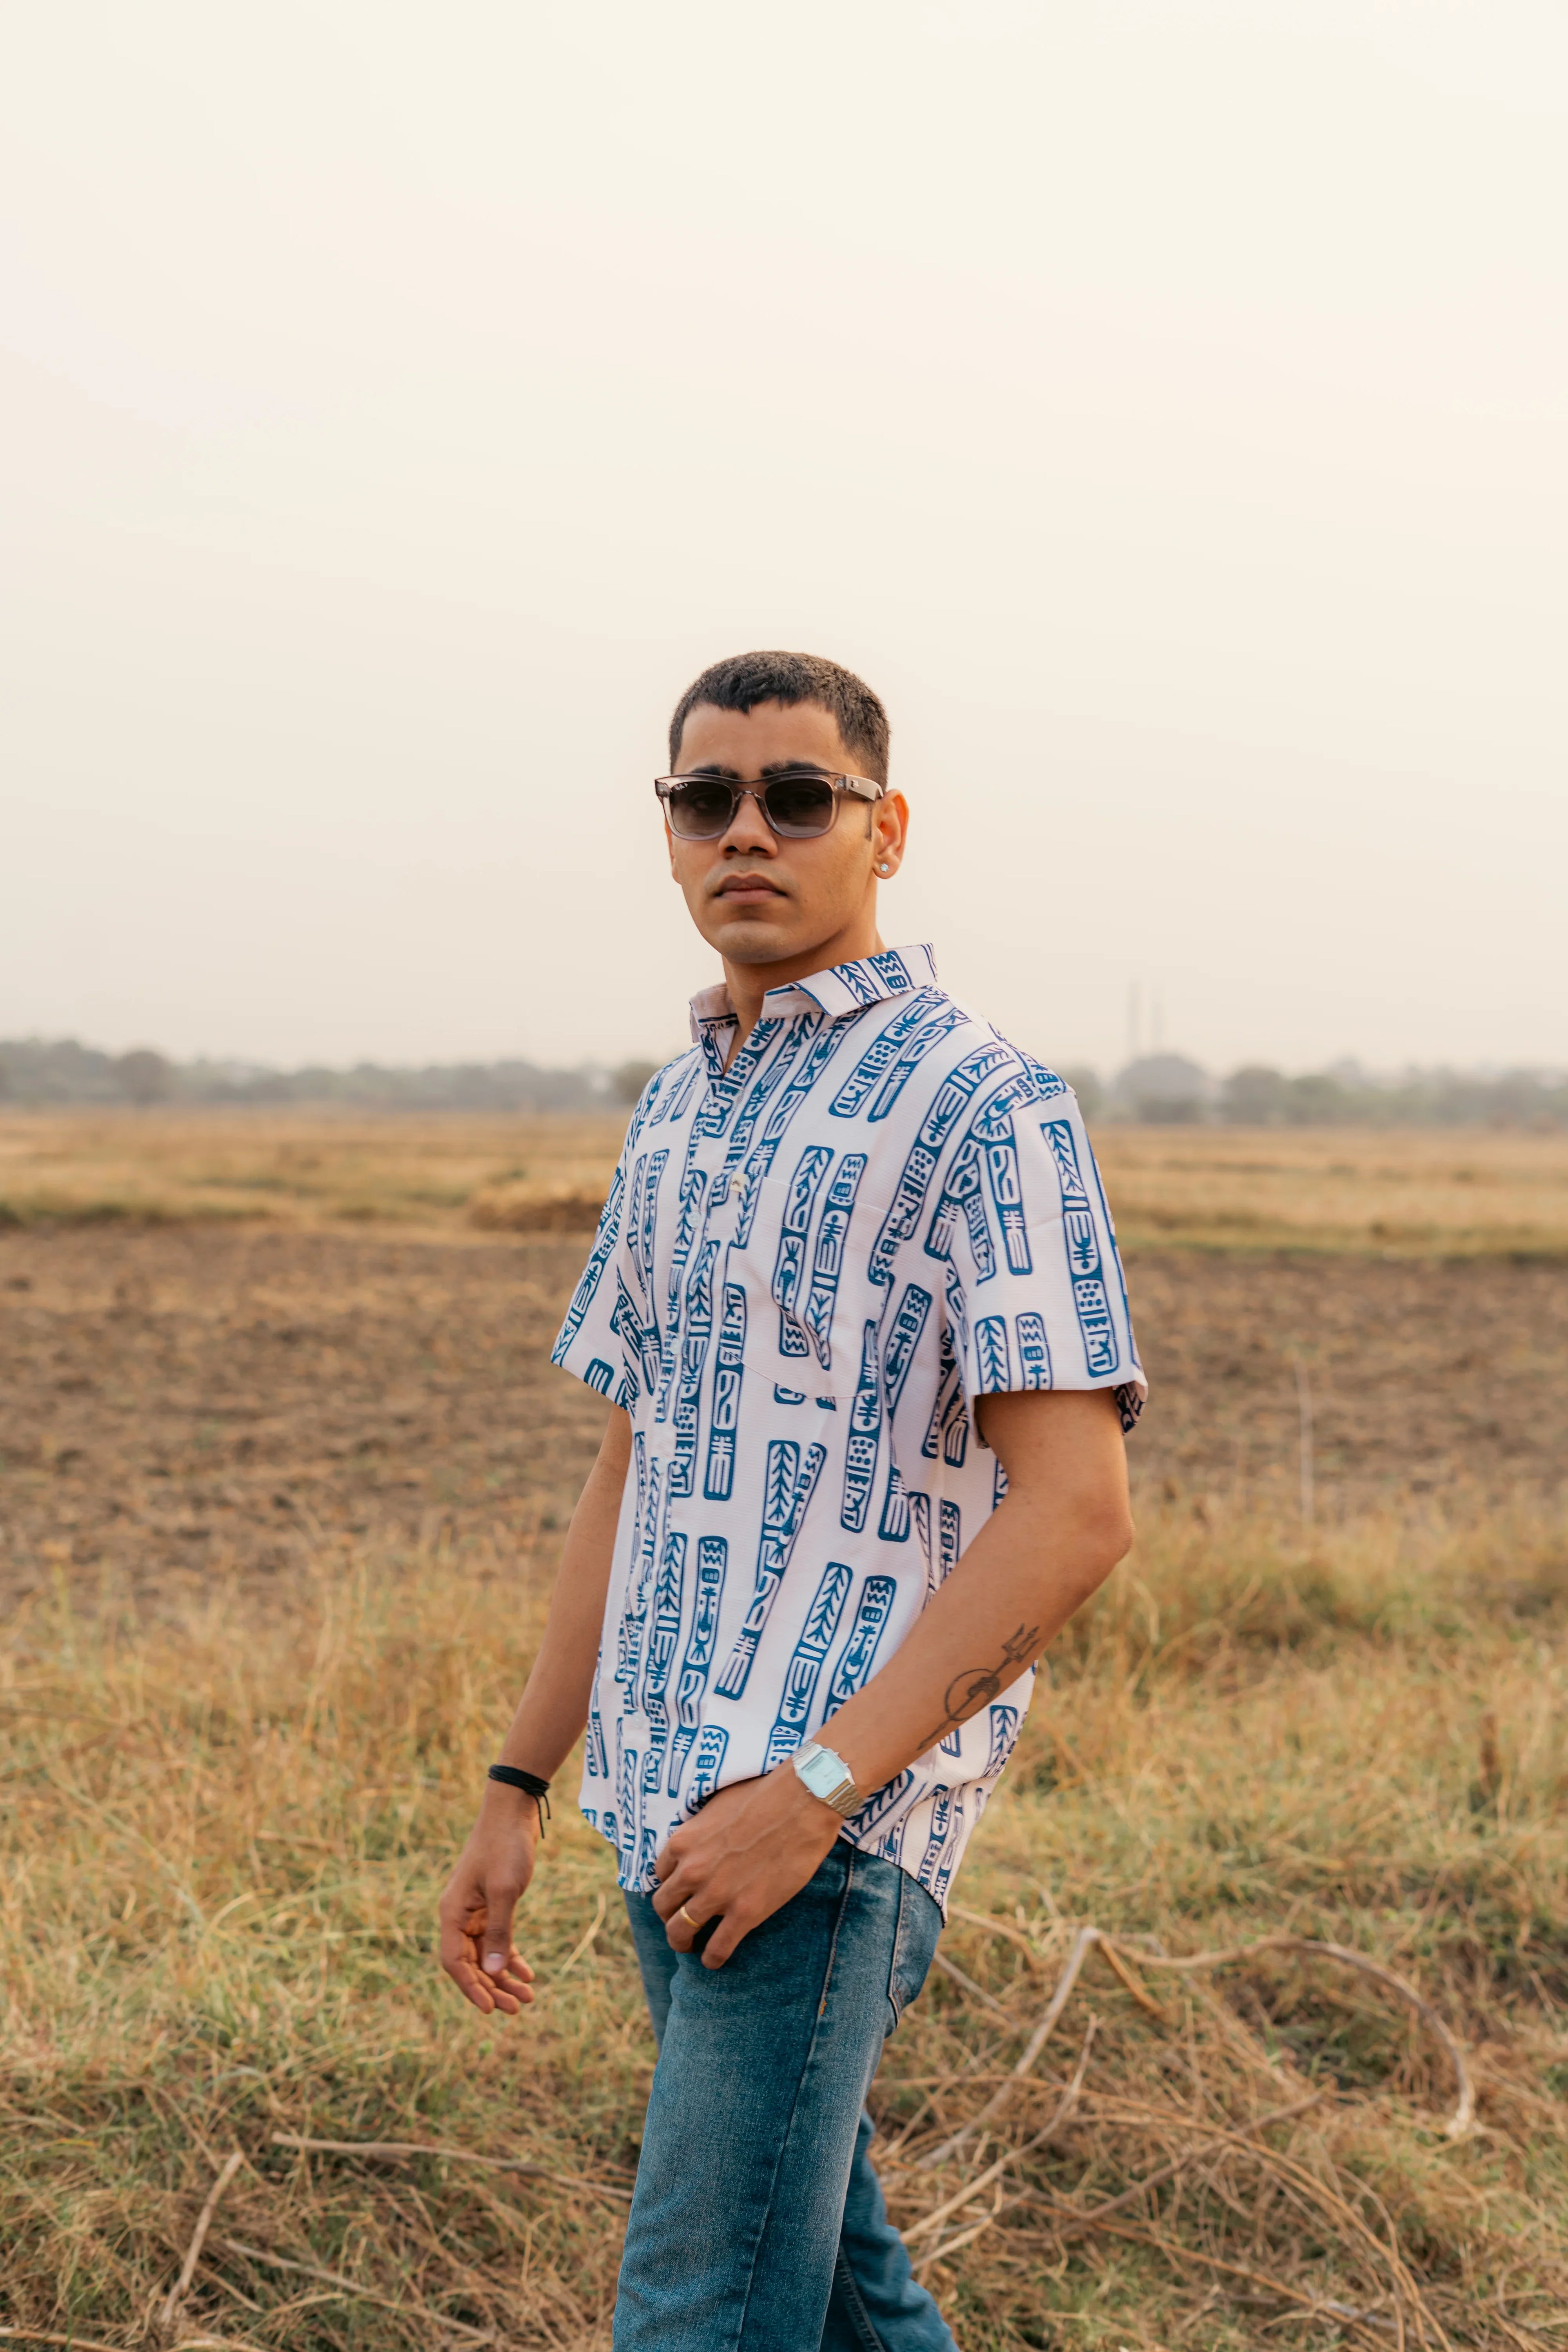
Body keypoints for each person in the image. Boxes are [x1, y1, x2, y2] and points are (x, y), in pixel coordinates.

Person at [439, 650, 1144, 2351]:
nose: (746, 831)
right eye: (707, 798)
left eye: (798, 797)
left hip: (828, 1822)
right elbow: (638, 1456)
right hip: (662, 1798)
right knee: (835, 2295)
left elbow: (1078, 1513)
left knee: (695, 2312)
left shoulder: (987, 1106)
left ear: (883, 831)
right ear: (670, 831)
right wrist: (521, 1782)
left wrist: (814, 1796)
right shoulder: (679, 1105)